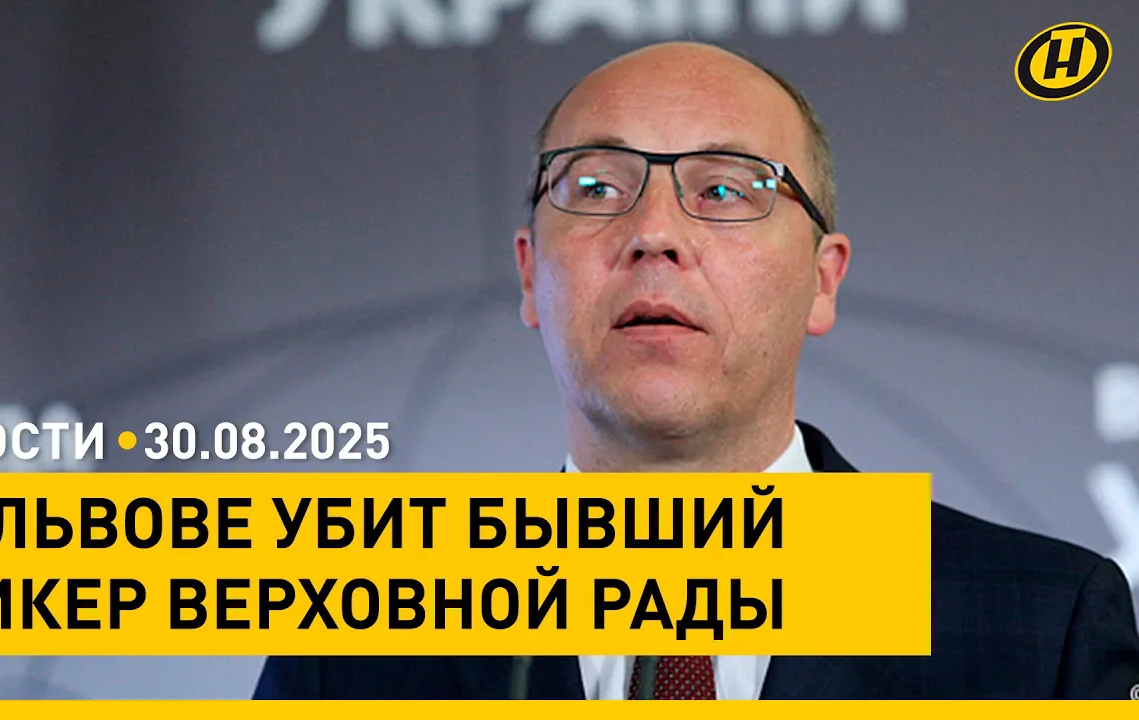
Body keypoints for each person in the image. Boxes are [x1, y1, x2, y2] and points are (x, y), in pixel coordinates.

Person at [254, 40, 1139, 700]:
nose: (654, 234)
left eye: (724, 190)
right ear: (529, 275)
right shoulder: (355, 645)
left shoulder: (1042, 624)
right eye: (597, 188)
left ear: (822, 281)